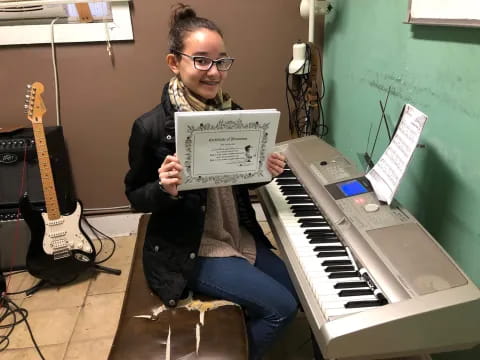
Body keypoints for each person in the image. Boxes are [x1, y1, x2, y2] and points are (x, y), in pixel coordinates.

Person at [125, 3, 300, 359]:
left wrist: (263, 169)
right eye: (201, 60)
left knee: (297, 294)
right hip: (191, 248)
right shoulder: (151, 127)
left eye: (221, 61)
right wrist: (163, 189)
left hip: (235, 234)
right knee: (282, 308)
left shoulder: (233, 113)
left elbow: (238, 184)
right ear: (175, 63)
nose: (214, 72)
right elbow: (135, 197)